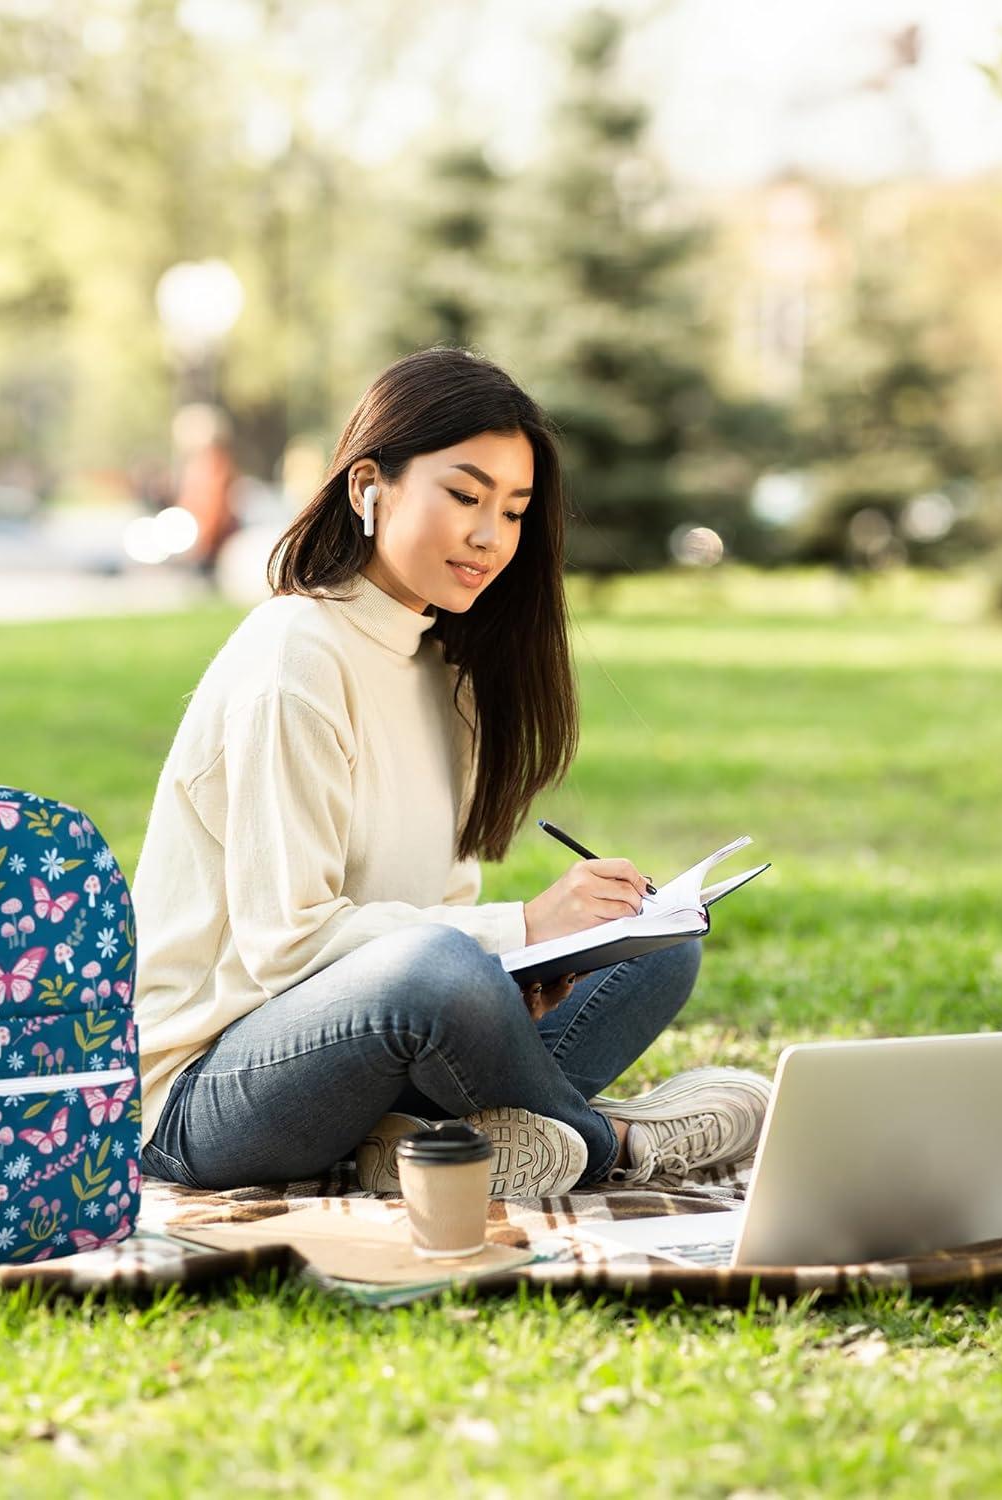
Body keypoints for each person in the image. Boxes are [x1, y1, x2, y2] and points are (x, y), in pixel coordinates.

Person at [131, 348, 769, 1196]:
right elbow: (287, 946)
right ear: (369, 486)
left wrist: (532, 971)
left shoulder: (449, 676)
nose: (489, 536)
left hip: (374, 1057)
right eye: (465, 496)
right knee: (440, 970)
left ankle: (421, 1147)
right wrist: (520, 930)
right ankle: (615, 1142)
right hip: (205, 1095)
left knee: (657, 944)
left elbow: (444, 914)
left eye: (514, 511)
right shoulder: (295, 658)